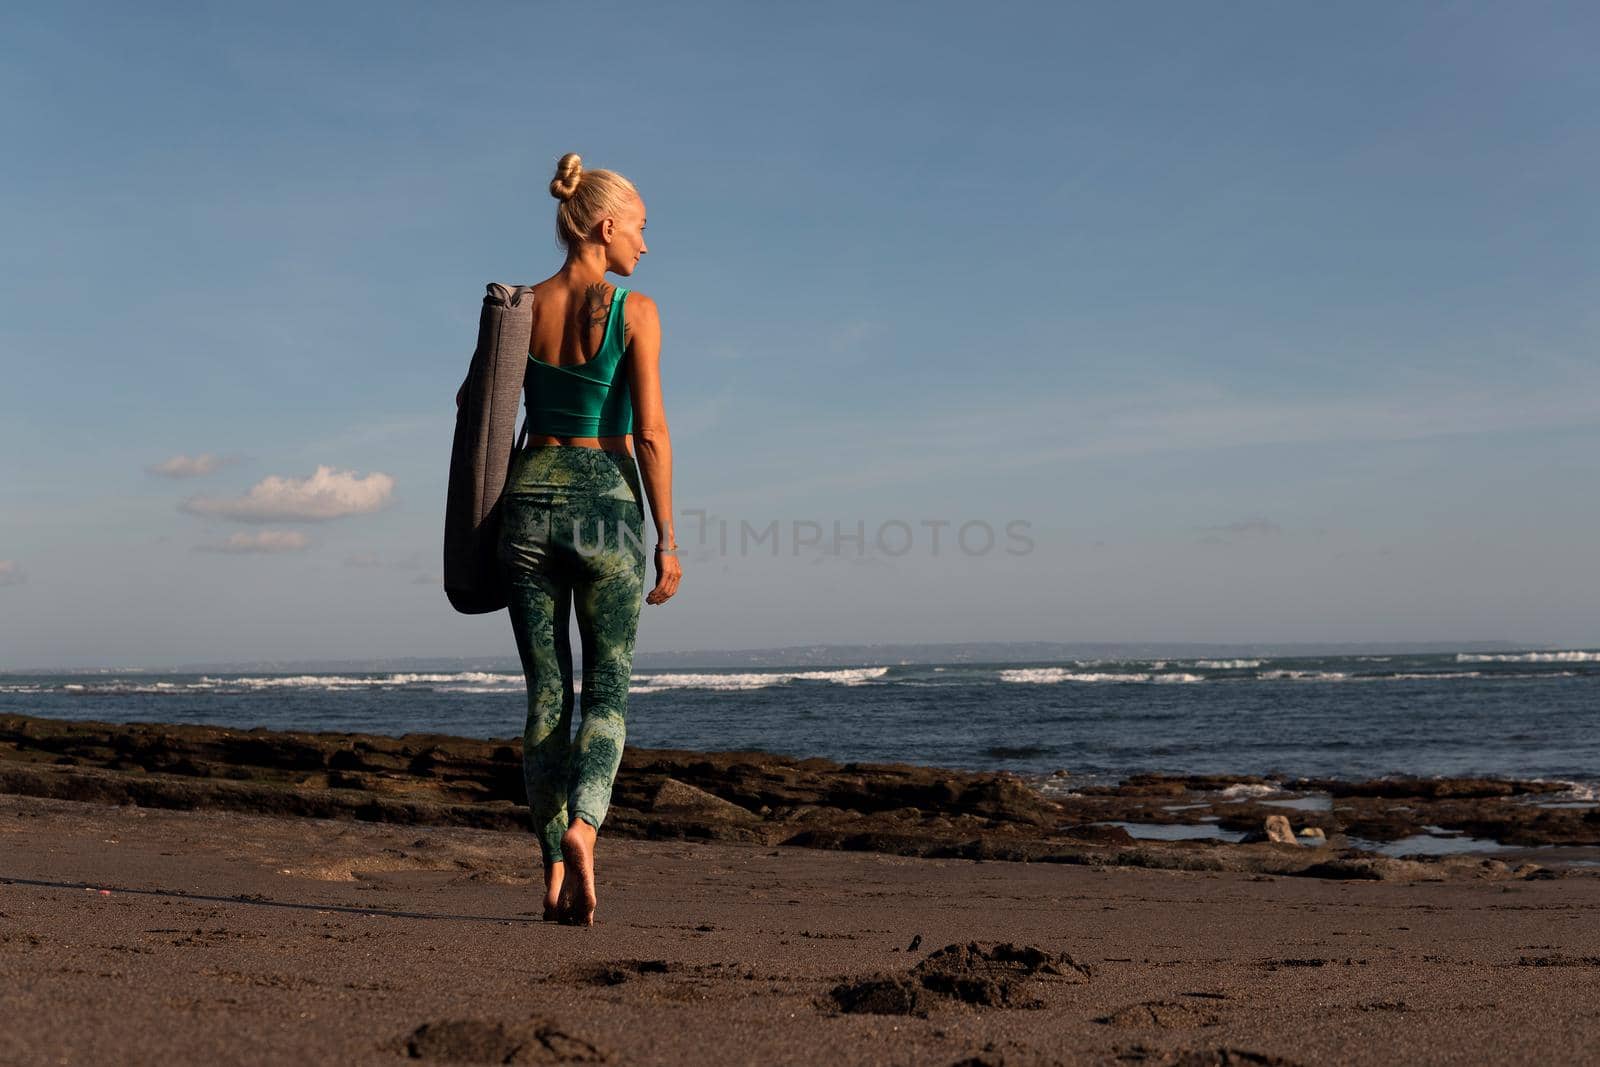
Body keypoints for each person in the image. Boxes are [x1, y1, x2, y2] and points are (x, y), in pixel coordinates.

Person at [496, 152, 681, 926]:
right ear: (605, 225)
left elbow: (480, 413)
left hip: (529, 502)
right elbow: (651, 437)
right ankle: (583, 827)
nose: (645, 244)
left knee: (547, 696)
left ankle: (547, 869)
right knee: (608, 692)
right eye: (640, 228)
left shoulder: (517, 305)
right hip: (606, 507)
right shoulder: (635, 312)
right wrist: (667, 538)